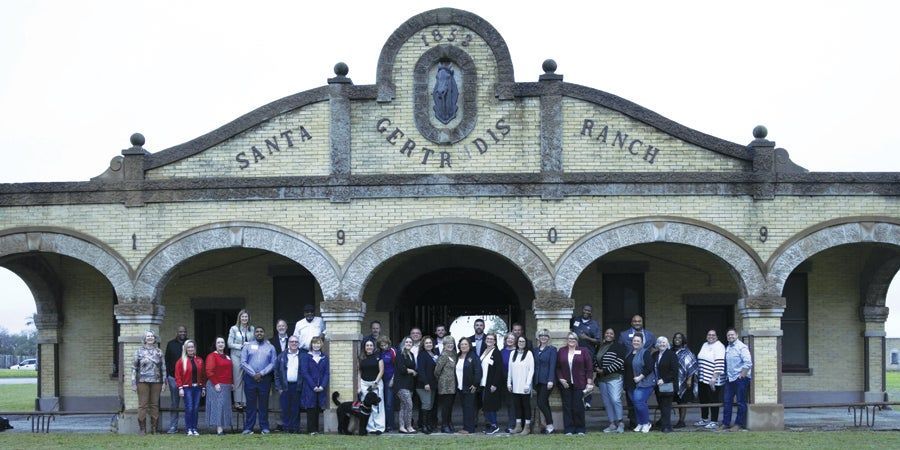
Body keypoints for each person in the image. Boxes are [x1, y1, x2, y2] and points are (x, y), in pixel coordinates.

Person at [618, 314, 653, 427]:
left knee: (640, 401)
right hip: (629, 373)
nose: (637, 323)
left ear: (642, 322)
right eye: (634, 321)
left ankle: (644, 422)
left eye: (639, 321)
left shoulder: (650, 335)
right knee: (632, 401)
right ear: (631, 322)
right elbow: (619, 350)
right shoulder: (623, 335)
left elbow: (658, 346)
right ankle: (635, 422)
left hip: (644, 375)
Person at [241, 326, 276, 434]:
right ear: (254, 334)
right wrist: (253, 374)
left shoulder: (270, 347)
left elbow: (273, 363)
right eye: (257, 332)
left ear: (264, 333)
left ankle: (264, 427)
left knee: (263, 405)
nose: (259, 333)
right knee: (250, 405)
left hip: (264, 379)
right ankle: (248, 428)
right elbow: (243, 362)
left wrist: (261, 373)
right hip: (250, 379)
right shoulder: (247, 346)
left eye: (261, 331)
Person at [556, 331, 593, 435]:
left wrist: (589, 382)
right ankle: (569, 429)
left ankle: (580, 429)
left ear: (577, 340)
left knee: (578, 407)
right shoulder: (562, 351)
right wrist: (561, 379)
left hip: (580, 383)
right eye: (570, 339)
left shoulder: (583, 351)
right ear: (567, 340)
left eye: (574, 339)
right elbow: (558, 367)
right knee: (567, 407)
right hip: (566, 384)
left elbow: (589, 368)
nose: (571, 340)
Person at [132, 330, 166, 435]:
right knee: (143, 405)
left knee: (154, 405)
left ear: (154, 338)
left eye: (152, 336)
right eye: (148, 336)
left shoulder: (159, 352)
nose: (150, 338)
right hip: (142, 381)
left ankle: (154, 429)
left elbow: (163, 368)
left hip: (157, 381)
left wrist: (164, 382)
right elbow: (134, 367)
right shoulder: (139, 351)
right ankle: (142, 429)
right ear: (145, 338)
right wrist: (133, 382)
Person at [595, 328, 626, 433]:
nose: (609, 335)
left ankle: (620, 422)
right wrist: (596, 369)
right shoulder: (599, 346)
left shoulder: (619, 346)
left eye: (611, 333)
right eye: (607, 333)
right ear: (604, 335)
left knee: (615, 399)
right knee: (607, 402)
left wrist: (605, 370)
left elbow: (620, 361)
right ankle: (612, 424)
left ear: (614, 336)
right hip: (602, 379)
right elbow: (596, 359)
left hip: (614, 377)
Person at [722, 328, 752, 431]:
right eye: (728, 335)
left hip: (740, 379)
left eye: (732, 335)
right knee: (727, 402)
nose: (730, 337)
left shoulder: (742, 347)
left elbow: (748, 362)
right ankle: (726, 423)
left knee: (741, 402)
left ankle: (739, 424)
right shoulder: (728, 347)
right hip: (730, 379)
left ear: (737, 335)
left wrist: (742, 375)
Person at [570, 305, 600, 409]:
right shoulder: (575, 320)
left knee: (588, 377)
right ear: (582, 310)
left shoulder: (594, 324)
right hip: (574, 353)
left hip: (588, 354)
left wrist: (586, 338)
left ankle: (588, 401)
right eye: (585, 309)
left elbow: (598, 341)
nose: (586, 311)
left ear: (591, 312)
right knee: (575, 375)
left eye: (588, 310)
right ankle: (577, 398)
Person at [174, 339, 206, 436]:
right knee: (189, 408)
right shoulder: (181, 361)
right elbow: (177, 375)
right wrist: (180, 388)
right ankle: (189, 429)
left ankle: (194, 428)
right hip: (187, 388)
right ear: (185, 349)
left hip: (198, 388)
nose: (191, 349)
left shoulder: (199, 360)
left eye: (192, 347)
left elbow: (203, 375)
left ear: (194, 348)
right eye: (189, 347)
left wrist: (203, 387)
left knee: (196, 408)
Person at [625, 334, 655, 433]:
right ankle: (640, 423)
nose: (636, 342)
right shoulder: (630, 352)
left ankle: (646, 423)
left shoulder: (645, 353)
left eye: (638, 341)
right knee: (636, 404)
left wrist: (640, 377)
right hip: (630, 384)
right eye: (634, 340)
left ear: (642, 343)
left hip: (643, 382)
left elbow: (649, 367)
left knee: (639, 402)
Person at [695, 329, 725, 429]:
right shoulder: (705, 344)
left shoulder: (719, 346)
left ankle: (714, 421)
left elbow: (720, 363)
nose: (711, 336)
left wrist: (714, 378)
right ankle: (704, 419)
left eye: (713, 335)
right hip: (703, 378)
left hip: (713, 379)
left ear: (717, 337)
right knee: (703, 399)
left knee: (713, 400)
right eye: (709, 334)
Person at [274, 335, 304, 433]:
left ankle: (295, 428)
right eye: (292, 342)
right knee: (285, 408)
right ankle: (286, 428)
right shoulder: (282, 356)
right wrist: (279, 388)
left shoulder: (303, 356)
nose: (294, 343)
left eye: (296, 342)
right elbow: (277, 372)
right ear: (288, 343)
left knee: (296, 409)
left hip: (297, 386)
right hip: (284, 386)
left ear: (298, 344)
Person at [204, 336, 233, 436]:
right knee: (218, 407)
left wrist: (231, 382)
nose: (221, 344)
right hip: (216, 385)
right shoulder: (212, 356)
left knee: (224, 407)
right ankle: (219, 429)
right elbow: (209, 371)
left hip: (226, 385)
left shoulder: (227, 356)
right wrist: (216, 383)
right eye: (218, 343)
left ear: (225, 345)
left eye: (222, 342)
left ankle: (223, 427)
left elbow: (230, 371)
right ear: (215, 345)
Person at [507, 335, 535, 435]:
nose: (521, 343)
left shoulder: (529, 354)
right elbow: (510, 369)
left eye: (523, 341)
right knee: (517, 406)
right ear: (517, 342)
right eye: (519, 341)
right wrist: (508, 382)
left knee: (526, 406)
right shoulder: (512, 353)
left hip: (525, 386)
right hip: (515, 386)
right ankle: (518, 426)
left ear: (526, 343)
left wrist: (528, 384)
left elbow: (531, 370)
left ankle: (527, 427)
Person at [301, 336, 329, 435]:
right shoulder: (306, 356)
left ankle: (316, 429)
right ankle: (311, 430)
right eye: (314, 343)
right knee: (311, 407)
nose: (316, 345)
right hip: (310, 387)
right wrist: (313, 386)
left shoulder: (324, 357)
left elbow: (326, 373)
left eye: (318, 343)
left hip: (321, 387)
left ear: (321, 344)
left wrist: (322, 386)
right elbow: (305, 372)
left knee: (318, 407)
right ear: (311, 345)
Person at [455, 337, 482, 434]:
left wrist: (475, 384)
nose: (463, 346)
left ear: (469, 345)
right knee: (465, 407)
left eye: (465, 344)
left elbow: (478, 371)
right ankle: (466, 427)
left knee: (469, 408)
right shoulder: (457, 356)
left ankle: (469, 429)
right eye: (462, 344)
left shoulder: (473, 356)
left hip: (470, 387)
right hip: (460, 387)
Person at [227, 310, 253, 410]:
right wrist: (241, 346)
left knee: (246, 379)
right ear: (239, 318)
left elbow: (254, 342)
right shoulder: (234, 328)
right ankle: (237, 401)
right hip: (236, 355)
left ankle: (245, 401)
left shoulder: (252, 328)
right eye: (242, 317)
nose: (244, 319)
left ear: (248, 318)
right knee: (237, 378)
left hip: (248, 357)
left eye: (246, 317)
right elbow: (229, 343)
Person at [533, 329, 558, 434]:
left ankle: (550, 425)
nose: (543, 337)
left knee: (541, 402)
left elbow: (553, 365)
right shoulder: (535, 350)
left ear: (548, 338)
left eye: (546, 336)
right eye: (541, 335)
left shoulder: (552, 349)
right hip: (537, 381)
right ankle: (549, 426)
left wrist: (550, 380)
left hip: (547, 381)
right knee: (545, 403)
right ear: (538, 337)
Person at [672, 332, 698, 429]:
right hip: (673, 380)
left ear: (683, 340)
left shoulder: (687, 352)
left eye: (679, 338)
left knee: (682, 401)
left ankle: (681, 421)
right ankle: (664, 419)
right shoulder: (671, 350)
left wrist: (689, 379)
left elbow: (692, 366)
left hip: (684, 381)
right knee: (669, 399)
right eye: (675, 338)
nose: (677, 339)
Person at [164, 325, 187, 434]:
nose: (182, 333)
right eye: (180, 331)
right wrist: (167, 376)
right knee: (174, 403)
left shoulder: (189, 344)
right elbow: (166, 361)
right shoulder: (170, 344)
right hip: (173, 378)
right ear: (177, 332)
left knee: (189, 403)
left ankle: (189, 426)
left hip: (187, 379)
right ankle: (173, 426)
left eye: (184, 331)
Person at [359, 339, 385, 434]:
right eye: (367, 345)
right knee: (366, 406)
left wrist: (375, 383)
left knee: (377, 406)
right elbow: (359, 372)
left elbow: (381, 371)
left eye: (371, 345)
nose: (369, 347)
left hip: (376, 383)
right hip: (364, 383)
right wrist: (359, 386)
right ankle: (370, 428)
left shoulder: (378, 357)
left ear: (374, 347)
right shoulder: (361, 358)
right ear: (364, 347)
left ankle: (379, 427)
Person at [479, 333, 503, 434]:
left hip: (491, 384)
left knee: (491, 406)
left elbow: (499, 370)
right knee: (485, 405)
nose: (489, 340)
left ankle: (494, 425)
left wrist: (494, 384)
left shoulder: (496, 352)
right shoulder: (484, 351)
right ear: (485, 340)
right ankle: (490, 424)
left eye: (491, 339)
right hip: (483, 383)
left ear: (495, 341)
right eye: (487, 338)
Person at [434, 336, 458, 434]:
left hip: (453, 384)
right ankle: (444, 425)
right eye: (447, 343)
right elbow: (437, 371)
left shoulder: (454, 354)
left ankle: (449, 422)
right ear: (444, 345)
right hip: (445, 385)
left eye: (451, 343)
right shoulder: (443, 355)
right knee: (445, 406)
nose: (450, 345)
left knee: (450, 405)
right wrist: (442, 380)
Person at [654, 336, 678, 433]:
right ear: (657, 344)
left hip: (668, 384)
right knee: (661, 405)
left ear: (667, 344)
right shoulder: (655, 355)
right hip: (657, 385)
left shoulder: (671, 354)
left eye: (664, 342)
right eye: (660, 342)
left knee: (666, 406)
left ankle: (667, 427)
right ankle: (664, 424)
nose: (662, 344)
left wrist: (664, 380)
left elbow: (674, 371)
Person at [394, 336, 418, 433]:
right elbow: (401, 369)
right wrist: (412, 371)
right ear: (403, 343)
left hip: (409, 384)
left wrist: (412, 371)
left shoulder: (411, 354)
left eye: (410, 342)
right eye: (407, 342)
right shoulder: (400, 354)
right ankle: (409, 426)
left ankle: (401, 427)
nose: (408, 344)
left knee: (404, 406)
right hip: (401, 384)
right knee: (409, 405)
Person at [416, 335, 439, 434]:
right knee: (426, 405)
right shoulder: (422, 355)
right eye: (426, 343)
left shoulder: (434, 354)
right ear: (423, 345)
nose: (429, 344)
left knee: (430, 405)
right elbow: (421, 370)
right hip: (424, 385)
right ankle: (423, 426)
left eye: (430, 343)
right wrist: (426, 383)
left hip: (433, 384)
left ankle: (428, 425)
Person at [376, 336, 396, 432]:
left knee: (389, 403)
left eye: (385, 345)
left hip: (389, 379)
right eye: (381, 345)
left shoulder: (392, 351)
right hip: (380, 380)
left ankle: (390, 425)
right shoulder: (379, 352)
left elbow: (397, 366)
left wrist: (393, 379)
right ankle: (382, 424)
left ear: (388, 343)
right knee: (381, 403)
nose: (383, 347)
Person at [500, 332, 517, 433]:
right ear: (505, 340)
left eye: (512, 338)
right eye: (508, 338)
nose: (510, 340)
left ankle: (514, 424)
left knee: (515, 403)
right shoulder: (502, 352)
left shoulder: (519, 352)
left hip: (516, 379)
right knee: (509, 403)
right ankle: (512, 423)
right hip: (504, 380)